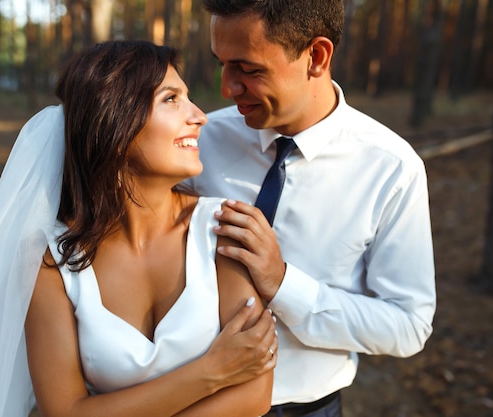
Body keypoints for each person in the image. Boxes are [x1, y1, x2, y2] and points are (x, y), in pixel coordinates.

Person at [0, 40, 277, 417]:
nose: (200, 116)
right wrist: (210, 371)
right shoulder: (51, 261)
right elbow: (64, 411)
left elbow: (254, 395)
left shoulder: (225, 229)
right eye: (171, 99)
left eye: (188, 98)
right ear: (115, 120)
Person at [180, 1, 437, 416]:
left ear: (316, 57)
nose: (227, 88)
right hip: (191, 402)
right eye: (222, 64)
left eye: (249, 69)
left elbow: (408, 326)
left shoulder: (392, 168)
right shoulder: (199, 140)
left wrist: (283, 285)